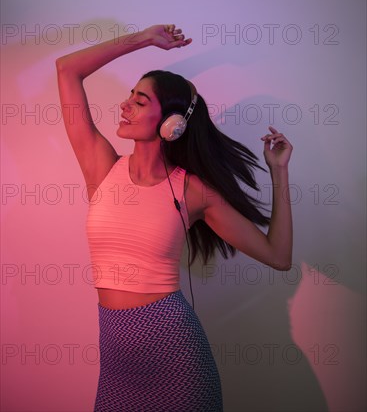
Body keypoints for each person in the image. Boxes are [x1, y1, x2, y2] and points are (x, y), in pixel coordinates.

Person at [56, 24, 293, 412]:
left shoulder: (192, 190)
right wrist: (144, 39)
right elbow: (67, 69)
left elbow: (278, 256)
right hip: (116, 366)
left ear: (172, 124)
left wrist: (278, 172)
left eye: (140, 100)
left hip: (176, 359)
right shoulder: (101, 168)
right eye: (130, 95)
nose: (125, 105)